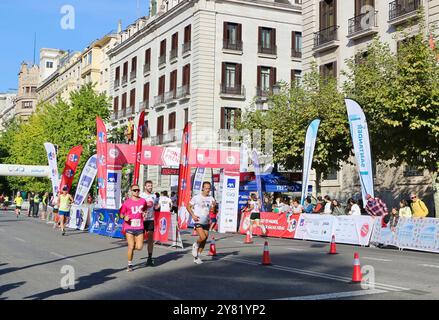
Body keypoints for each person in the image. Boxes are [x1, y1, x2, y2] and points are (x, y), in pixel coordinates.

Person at [186, 181, 217, 264]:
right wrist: (193, 215)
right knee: (202, 237)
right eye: (206, 188)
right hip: (198, 220)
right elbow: (188, 206)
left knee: (205, 239)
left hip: (206, 221)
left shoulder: (211, 198)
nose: (207, 190)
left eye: (209, 188)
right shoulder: (196, 197)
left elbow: (213, 211)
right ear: (202, 188)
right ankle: (195, 244)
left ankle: (197, 257)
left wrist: (214, 206)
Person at [120, 184, 147, 271]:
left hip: (139, 227)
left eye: (138, 190)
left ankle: (130, 250)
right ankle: (129, 264)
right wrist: (124, 217)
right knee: (131, 246)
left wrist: (144, 213)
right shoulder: (127, 202)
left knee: (139, 247)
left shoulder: (143, 201)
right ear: (131, 191)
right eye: (135, 190)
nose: (136, 192)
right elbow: (120, 214)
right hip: (129, 227)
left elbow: (145, 209)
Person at [139, 180, 157, 266]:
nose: (150, 187)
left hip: (150, 219)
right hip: (142, 220)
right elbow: (137, 206)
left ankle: (149, 258)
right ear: (145, 187)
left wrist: (158, 206)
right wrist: (143, 209)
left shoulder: (154, 196)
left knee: (150, 240)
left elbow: (156, 206)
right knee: (139, 241)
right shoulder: (141, 195)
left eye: (151, 185)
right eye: (148, 186)